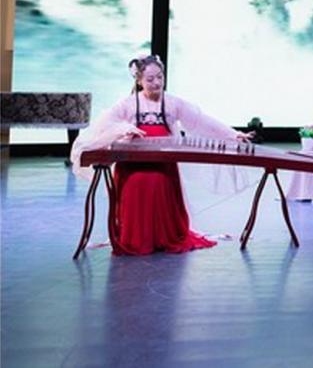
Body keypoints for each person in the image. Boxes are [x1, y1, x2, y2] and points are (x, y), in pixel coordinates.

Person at [70, 54, 251, 255]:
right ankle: (137, 238)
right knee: (137, 183)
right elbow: (105, 124)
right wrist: (124, 129)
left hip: (163, 162)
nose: (156, 83)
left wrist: (233, 134)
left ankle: (164, 237)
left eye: (160, 77)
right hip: (133, 164)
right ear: (139, 81)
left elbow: (201, 121)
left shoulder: (172, 103)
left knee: (159, 181)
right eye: (150, 79)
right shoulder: (128, 104)